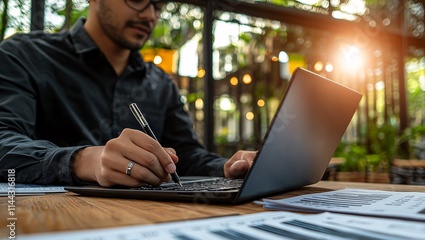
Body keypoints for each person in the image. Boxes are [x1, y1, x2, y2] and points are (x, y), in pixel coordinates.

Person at [0, 0, 256, 187]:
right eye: (136, 0)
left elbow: (186, 154)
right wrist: (84, 160)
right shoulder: (24, 56)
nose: (149, 15)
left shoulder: (159, 82)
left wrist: (227, 167)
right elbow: (4, 141)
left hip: (151, 223)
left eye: (158, 5)